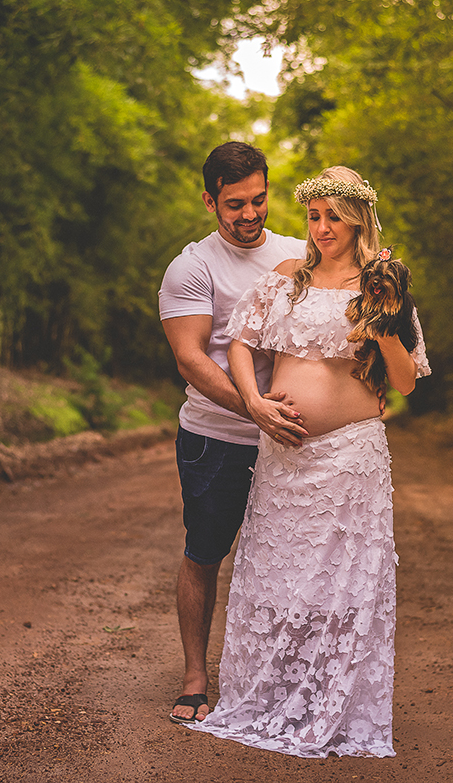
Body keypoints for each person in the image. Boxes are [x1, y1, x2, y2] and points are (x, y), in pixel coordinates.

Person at [187, 166, 430, 757]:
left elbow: (404, 384)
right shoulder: (287, 277)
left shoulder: (385, 279)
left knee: (342, 584)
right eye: (314, 215)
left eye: (334, 216)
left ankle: (331, 703)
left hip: (351, 457)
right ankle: (271, 697)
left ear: (358, 218)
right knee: (280, 576)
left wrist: (385, 321)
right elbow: (240, 343)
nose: (322, 228)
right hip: (283, 455)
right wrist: (254, 402)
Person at [158, 142, 307, 725]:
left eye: (259, 200)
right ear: (209, 201)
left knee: (291, 561)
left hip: (292, 441)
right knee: (205, 552)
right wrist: (256, 408)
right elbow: (191, 359)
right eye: (235, 204)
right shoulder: (192, 267)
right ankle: (196, 677)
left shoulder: (299, 254)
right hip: (216, 439)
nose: (250, 215)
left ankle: (282, 678)